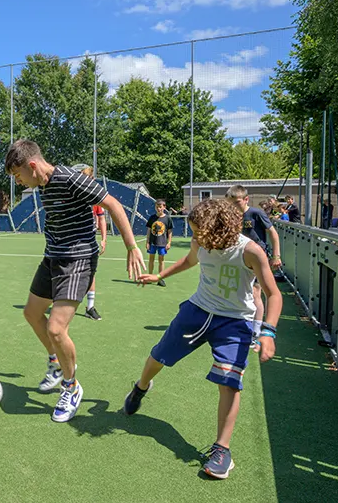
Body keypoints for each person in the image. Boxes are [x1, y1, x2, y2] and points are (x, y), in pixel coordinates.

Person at [126, 199, 281, 479]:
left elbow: (274, 294)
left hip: (235, 322)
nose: (195, 238)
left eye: (199, 232)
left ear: (218, 228)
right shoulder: (202, 243)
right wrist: (160, 274)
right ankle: (140, 387)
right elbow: (189, 260)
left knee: (230, 382)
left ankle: (222, 449)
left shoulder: (251, 251)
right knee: (160, 355)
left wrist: (268, 331)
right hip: (198, 311)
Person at [5, 139, 145, 423]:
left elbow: (114, 204)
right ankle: (56, 362)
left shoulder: (71, 179)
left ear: (32, 165)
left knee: (56, 329)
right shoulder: (42, 185)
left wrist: (131, 246)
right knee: (32, 313)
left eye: (18, 176)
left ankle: (71, 386)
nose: (19, 182)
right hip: (53, 257)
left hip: (78, 259)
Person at [225, 185, 282, 346]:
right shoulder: (232, 216)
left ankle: (255, 332)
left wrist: (276, 255)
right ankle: (239, 324)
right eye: (230, 203)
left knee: (256, 292)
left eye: (236, 203)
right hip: (240, 257)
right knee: (241, 291)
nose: (233, 207)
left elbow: (273, 233)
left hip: (257, 258)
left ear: (246, 199)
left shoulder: (256, 213)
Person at [81, 166, 107, 321]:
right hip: (73, 241)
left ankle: (90, 307)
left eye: (90, 179)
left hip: (90, 239)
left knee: (91, 272)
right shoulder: (73, 195)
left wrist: (104, 239)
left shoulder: (94, 197)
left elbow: (102, 218)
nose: (88, 181)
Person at [146, 199, 174, 287]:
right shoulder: (152, 218)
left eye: (160, 207)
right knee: (151, 259)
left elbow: (169, 232)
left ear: (164, 207)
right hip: (152, 243)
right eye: (157, 207)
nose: (159, 209)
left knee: (161, 261)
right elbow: (149, 230)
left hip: (162, 243)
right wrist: (147, 242)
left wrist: (169, 242)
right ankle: (150, 277)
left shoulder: (167, 218)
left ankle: (160, 279)